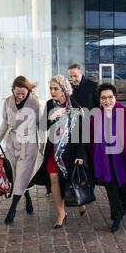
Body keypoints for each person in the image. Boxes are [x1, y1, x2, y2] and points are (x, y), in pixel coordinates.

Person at [28, 75, 88, 228]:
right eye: (51, 89)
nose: (52, 92)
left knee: (69, 178)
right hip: (54, 149)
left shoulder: (75, 106)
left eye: (56, 89)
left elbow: (82, 133)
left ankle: (79, 201)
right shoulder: (50, 104)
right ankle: (61, 212)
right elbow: (42, 127)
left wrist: (80, 155)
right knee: (53, 177)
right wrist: (51, 118)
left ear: (64, 90)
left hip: (71, 149)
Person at [91, 83, 126, 233]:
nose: (107, 101)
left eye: (110, 97)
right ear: (99, 100)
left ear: (115, 98)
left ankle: (124, 204)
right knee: (112, 190)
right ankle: (116, 218)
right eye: (103, 98)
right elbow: (89, 139)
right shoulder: (95, 116)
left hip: (124, 158)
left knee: (125, 190)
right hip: (105, 160)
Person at [0, 76, 40, 224]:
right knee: (14, 176)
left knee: (22, 175)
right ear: (12, 89)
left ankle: (12, 209)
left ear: (28, 91)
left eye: (23, 94)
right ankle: (28, 197)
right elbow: (5, 124)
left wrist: (44, 146)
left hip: (29, 144)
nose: (19, 96)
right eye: (17, 93)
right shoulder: (7, 102)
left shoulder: (34, 102)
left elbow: (40, 124)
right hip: (11, 143)